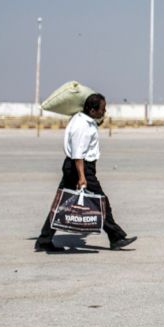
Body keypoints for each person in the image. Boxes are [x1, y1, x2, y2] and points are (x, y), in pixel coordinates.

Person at [35, 93, 137, 252]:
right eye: (102, 109)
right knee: (100, 202)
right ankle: (116, 237)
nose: (105, 111)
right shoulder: (81, 125)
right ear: (92, 110)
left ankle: (44, 240)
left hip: (78, 167)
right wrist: (82, 176)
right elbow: (77, 154)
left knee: (62, 203)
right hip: (80, 168)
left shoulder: (83, 119)